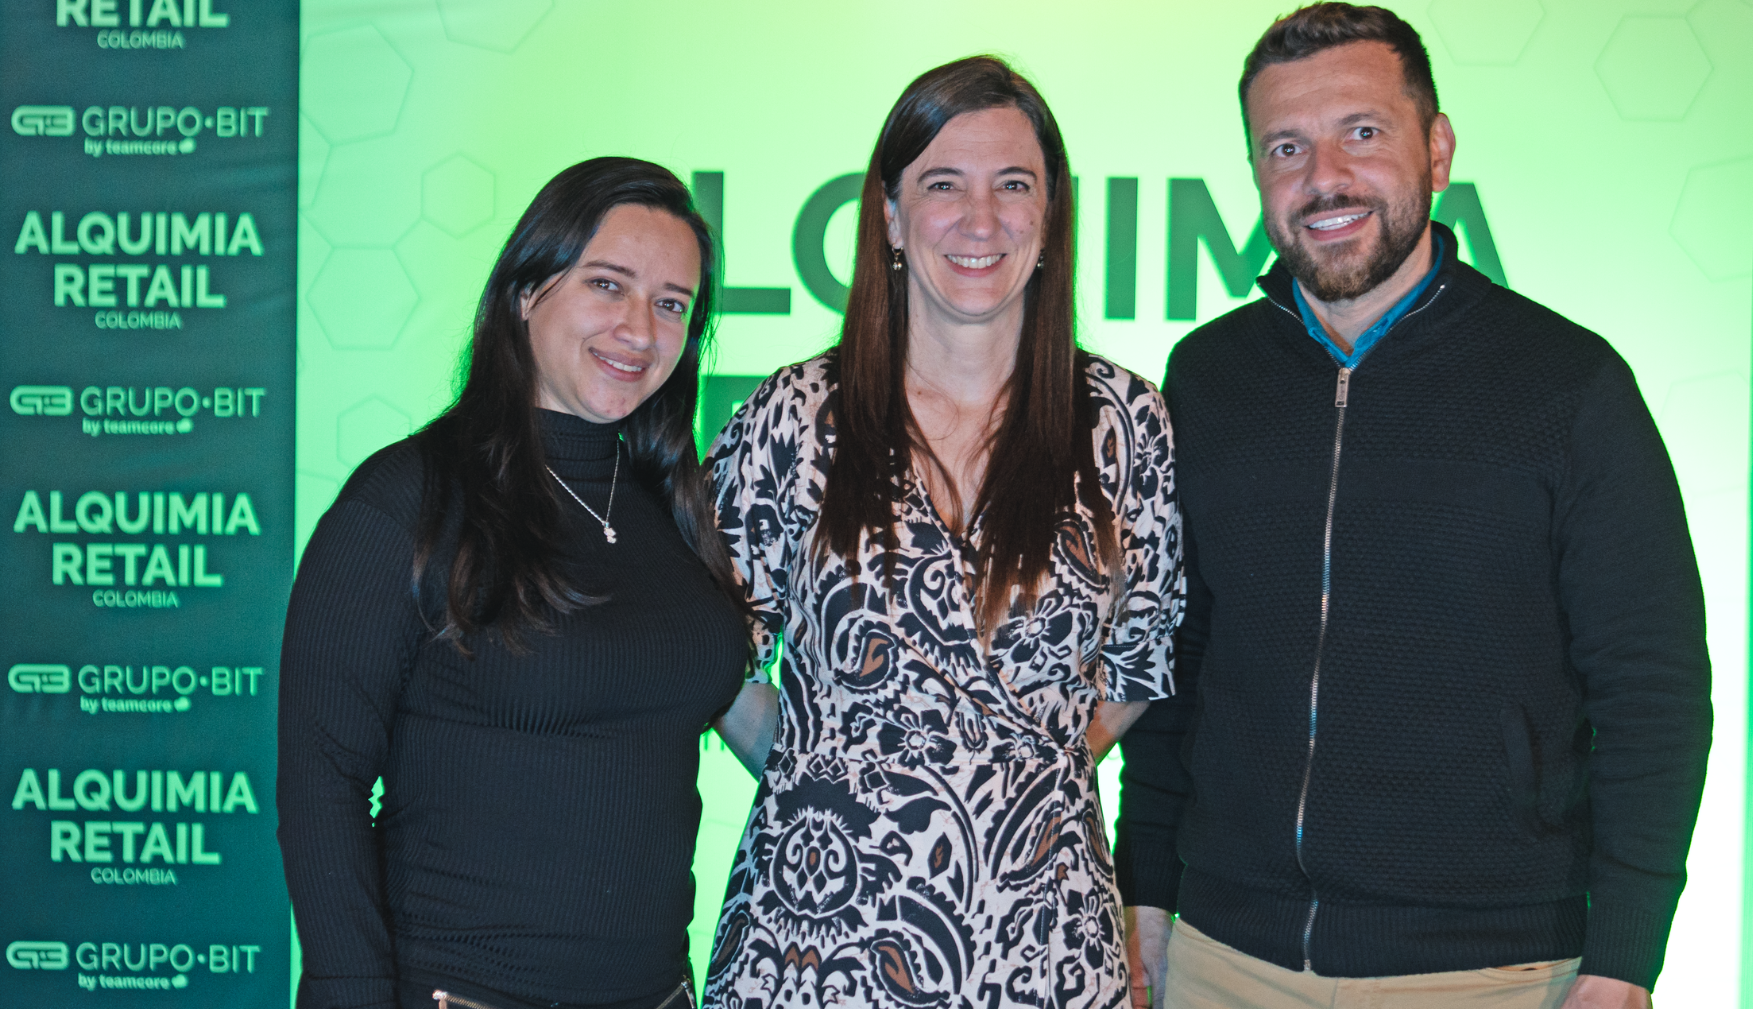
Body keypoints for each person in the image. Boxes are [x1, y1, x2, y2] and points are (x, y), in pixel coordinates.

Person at [1116, 3, 1712, 1009]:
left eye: (1362, 132)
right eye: (1285, 148)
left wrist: (1623, 960)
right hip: (1224, 959)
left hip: (1489, 972)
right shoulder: (1207, 377)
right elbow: (1176, 665)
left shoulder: (1568, 385)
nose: (1324, 178)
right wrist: (1146, 893)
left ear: (1436, 149)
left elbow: (1652, 692)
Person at [701, 56, 1184, 1009]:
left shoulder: (1125, 421)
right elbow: (705, 643)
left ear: (1052, 217)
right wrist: (824, 768)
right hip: (815, 946)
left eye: (1014, 185)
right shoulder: (795, 416)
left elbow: (1142, 660)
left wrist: (1016, 770)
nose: (981, 219)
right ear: (889, 216)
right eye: (943, 185)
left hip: (1045, 945)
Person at [279, 157, 773, 1009]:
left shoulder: (673, 505)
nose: (640, 329)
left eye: (672, 304)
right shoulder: (410, 499)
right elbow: (322, 780)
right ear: (525, 291)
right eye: (607, 285)